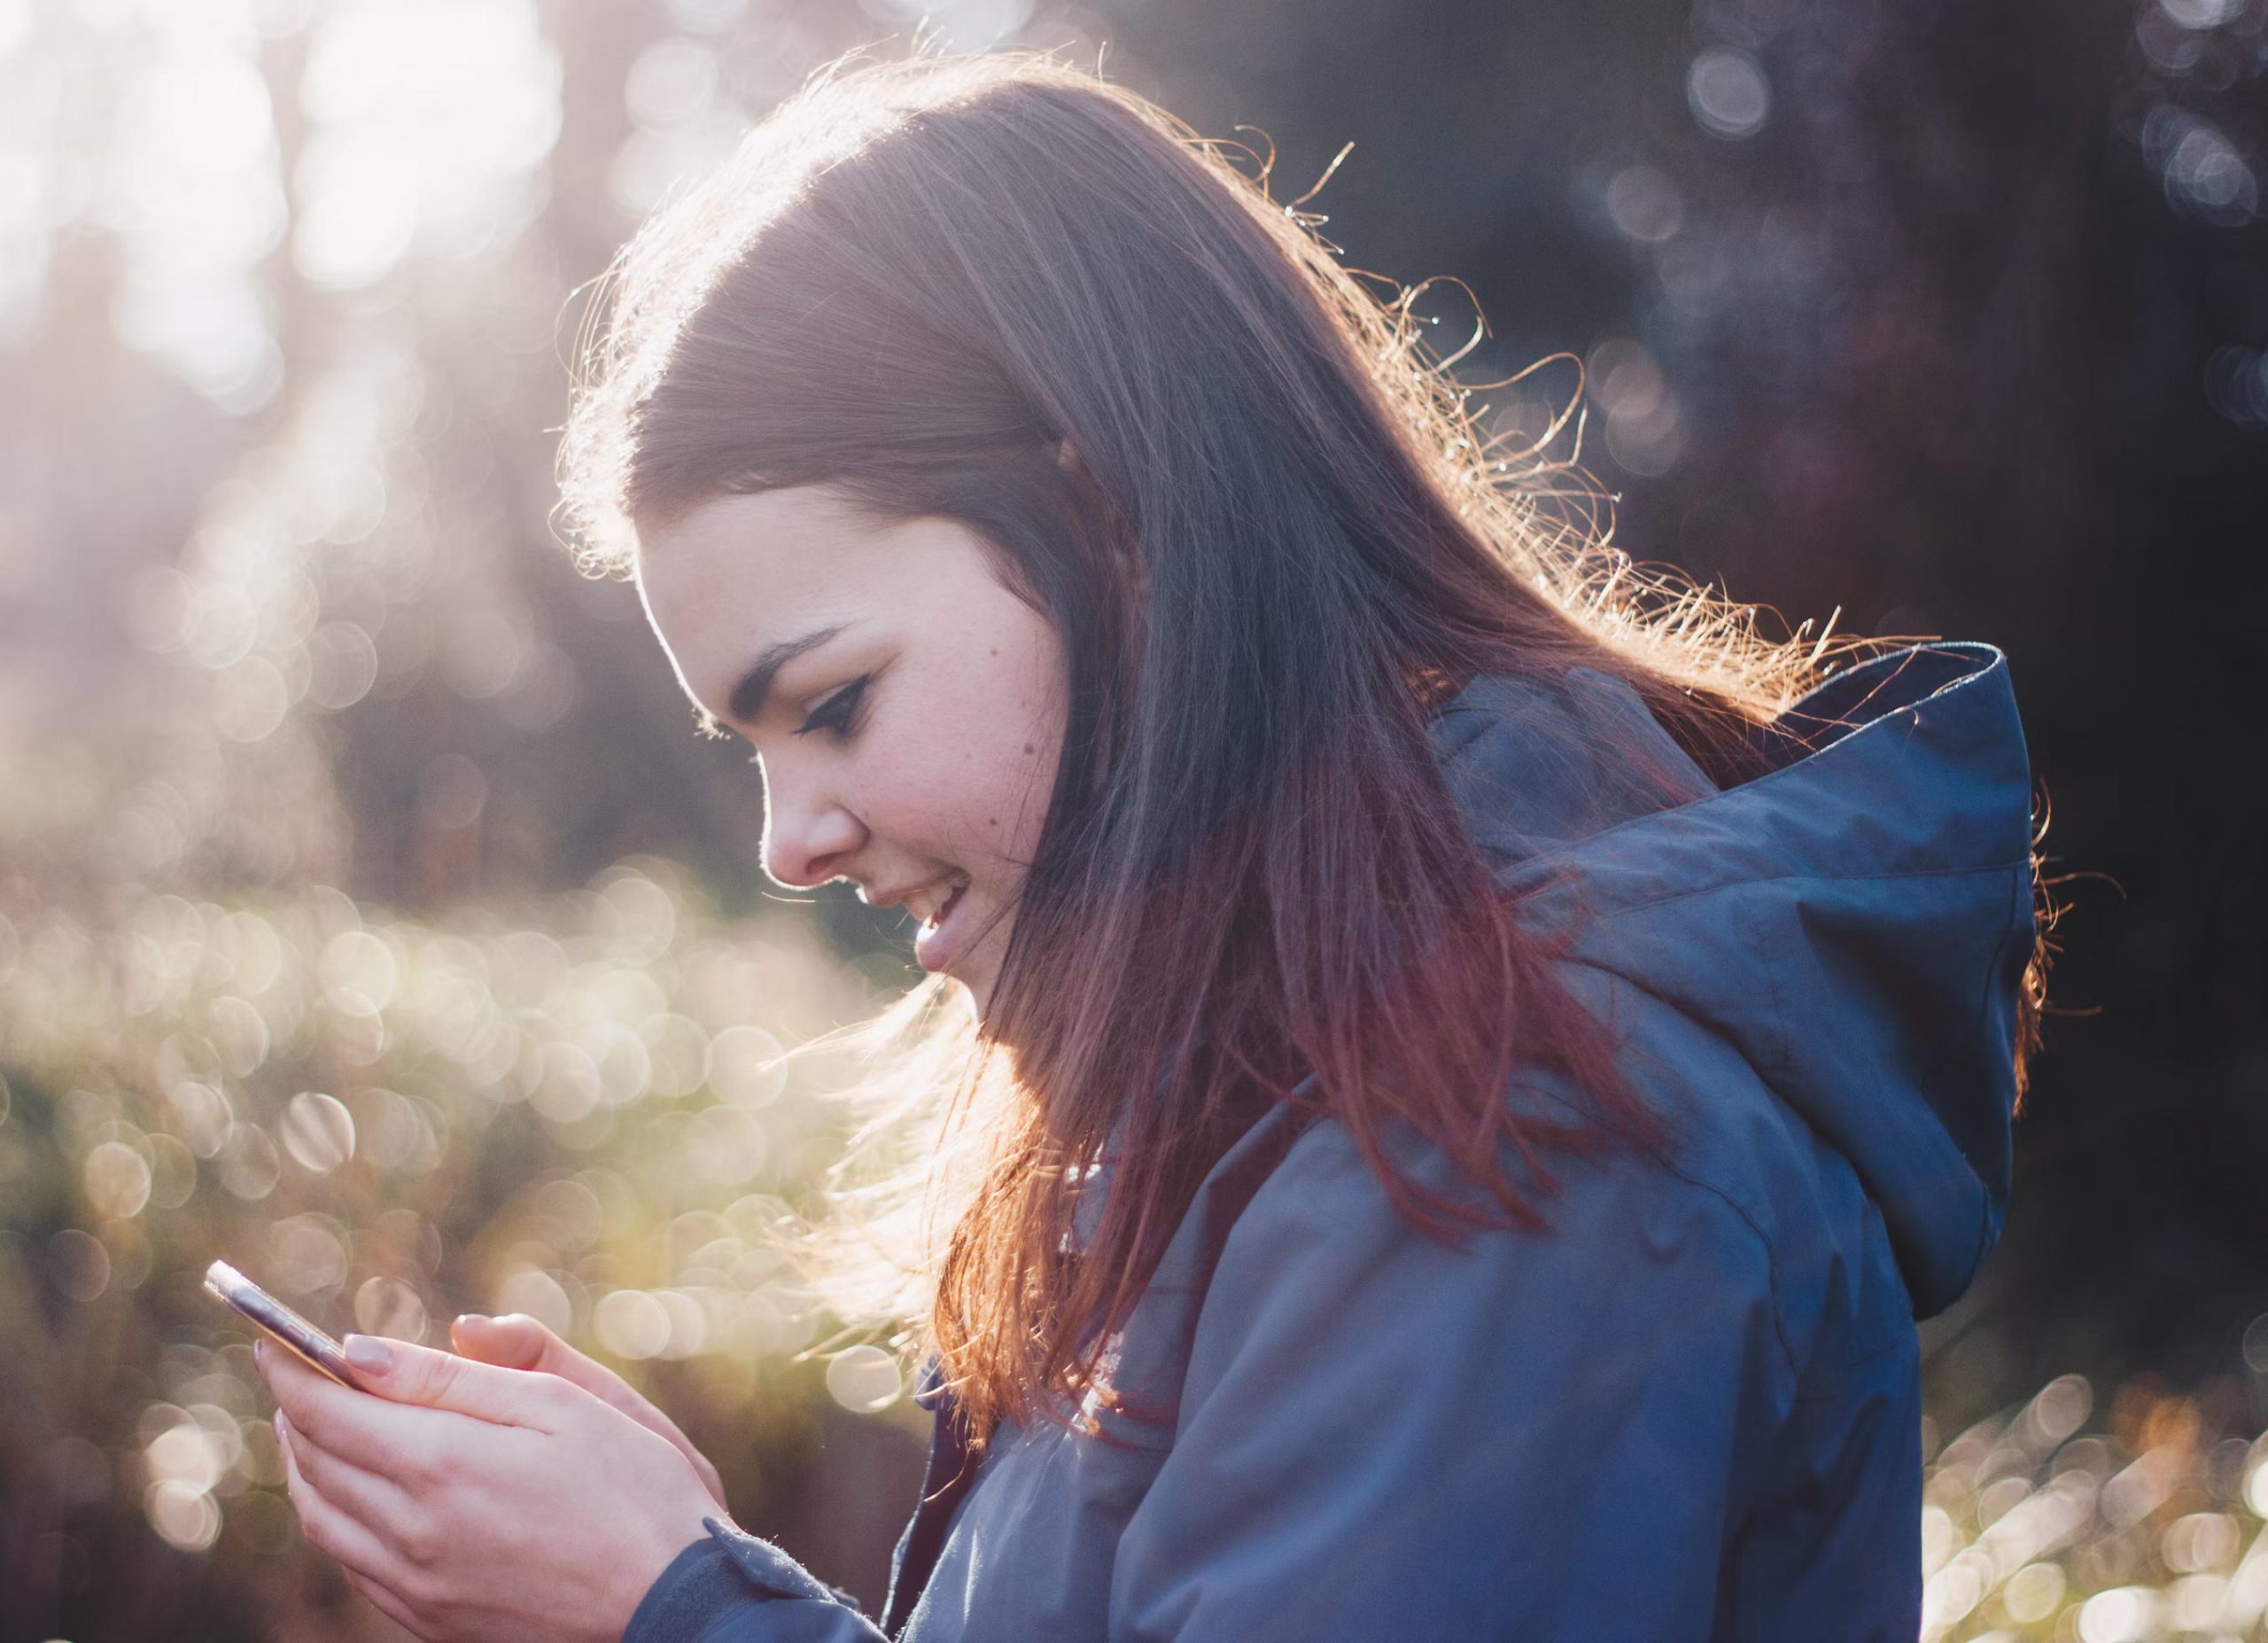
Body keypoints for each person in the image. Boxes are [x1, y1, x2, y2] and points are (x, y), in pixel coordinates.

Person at [253, 47, 2047, 1643]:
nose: (792, 842)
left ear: (1108, 523)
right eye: (753, 746)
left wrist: (668, 1608)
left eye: (834, 703)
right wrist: (668, 1569)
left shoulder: (1510, 1135)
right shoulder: (1313, 1078)